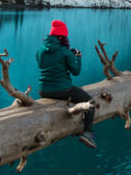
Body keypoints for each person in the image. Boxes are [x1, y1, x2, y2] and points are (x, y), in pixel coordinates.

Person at [37, 20, 97, 148]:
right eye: (64, 36)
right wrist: (77, 57)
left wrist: (67, 54)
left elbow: (44, 64)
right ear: (60, 37)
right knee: (90, 102)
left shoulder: (41, 50)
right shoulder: (65, 52)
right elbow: (76, 71)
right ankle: (87, 134)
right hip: (62, 90)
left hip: (43, 91)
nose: (66, 38)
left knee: (76, 93)